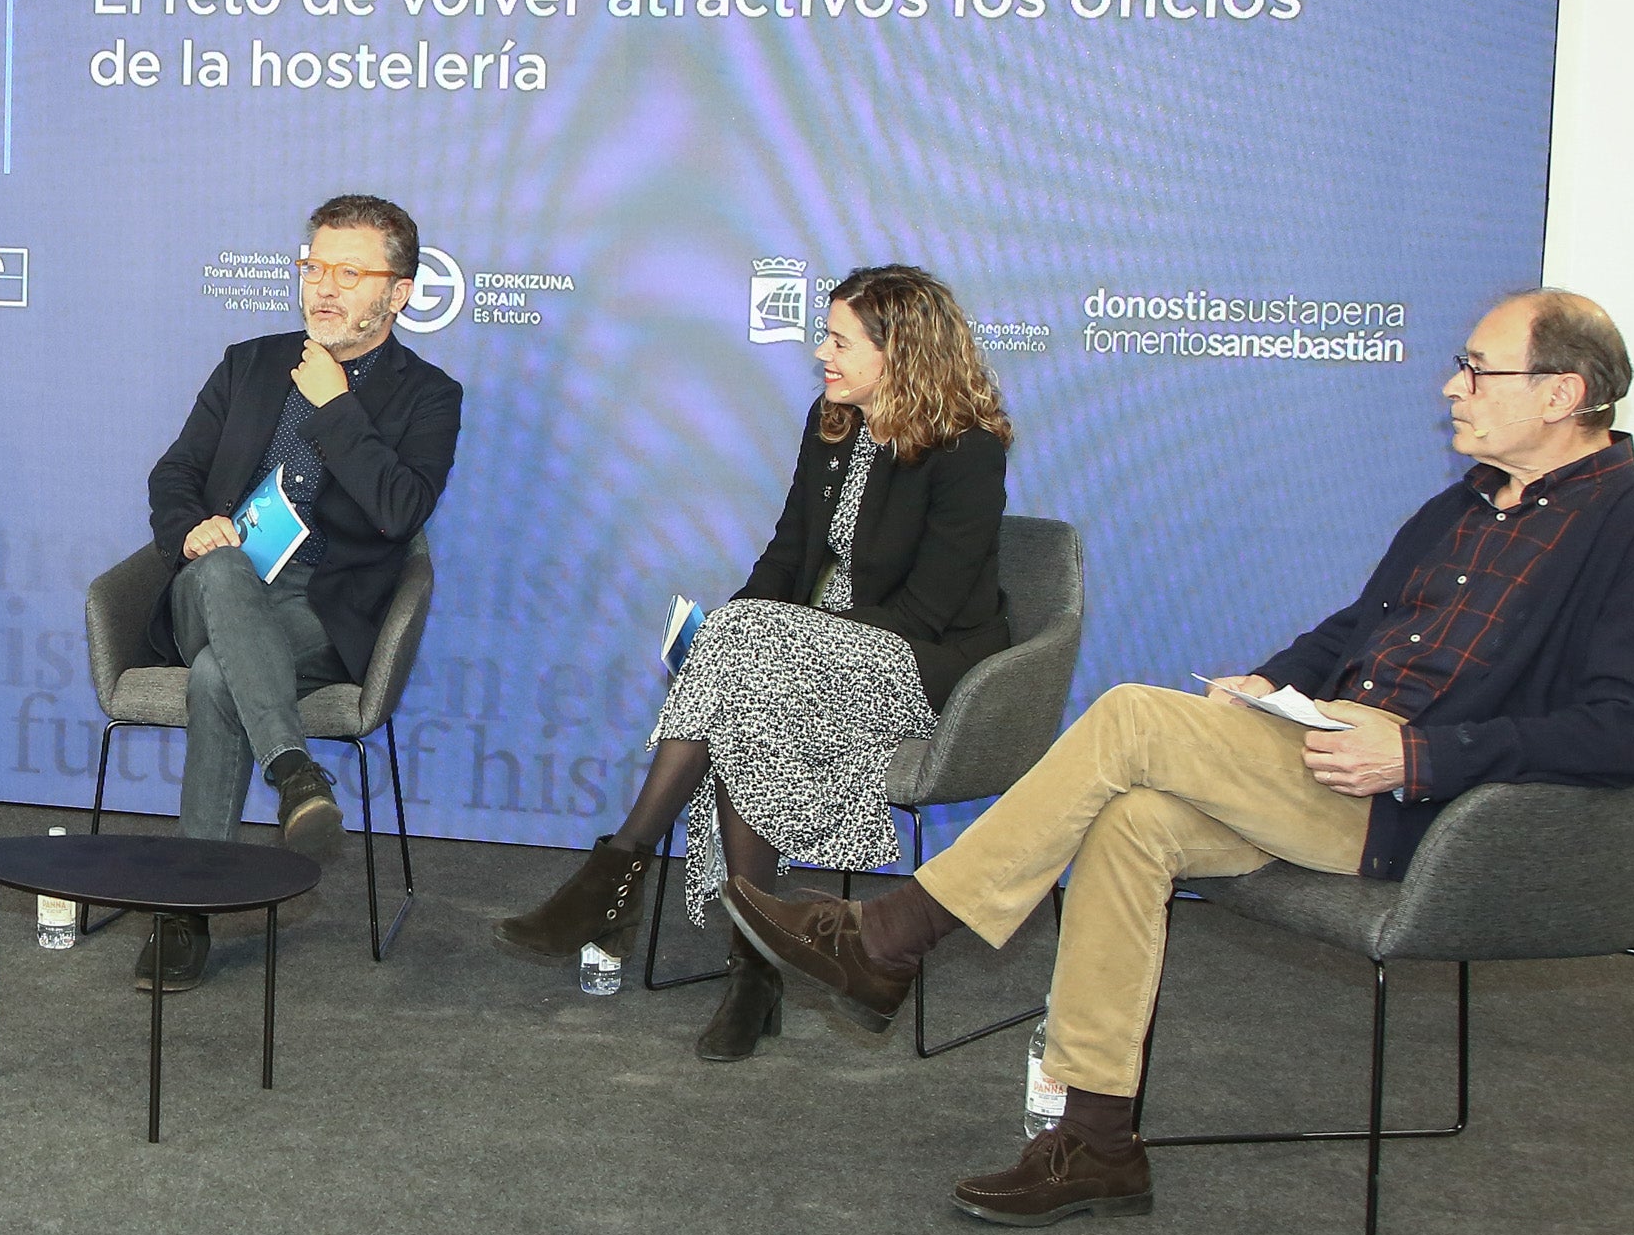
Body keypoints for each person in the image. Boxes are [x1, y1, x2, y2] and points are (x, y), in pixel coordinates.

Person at [731, 288, 1634, 1225]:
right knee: (1131, 821)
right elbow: (1355, 629)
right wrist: (1271, 682)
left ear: (1562, 393)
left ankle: (891, 936)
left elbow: (1631, 727)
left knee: (1128, 718)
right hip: (1324, 764)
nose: (1451, 386)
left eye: (1477, 369)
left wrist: (1422, 753)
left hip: (1437, 813)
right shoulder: (1461, 508)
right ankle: (1098, 1139)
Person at [493, 264, 1010, 1059]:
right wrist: (744, 623)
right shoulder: (831, 422)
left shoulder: (965, 450)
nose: (820, 354)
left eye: (838, 340)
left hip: (922, 665)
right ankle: (752, 970)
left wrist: (772, 637)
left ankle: (619, 875)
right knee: (743, 678)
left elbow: (925, 612)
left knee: (749, 661)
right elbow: (788, 552)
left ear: (899, 352)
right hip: (812, 648)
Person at [132, 194, 462, 992]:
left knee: (218, 678)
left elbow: (397, 512)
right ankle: (294, 773)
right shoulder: (249, 362)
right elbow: (173, 473)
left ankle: (184, 910)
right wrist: (192, 528)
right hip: (212, 583)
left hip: (321, 605)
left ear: (399, 293)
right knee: (219, 568)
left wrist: (335, 406)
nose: (323, 287)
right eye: (314, 266)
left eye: (350, 273)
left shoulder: (428, 396)